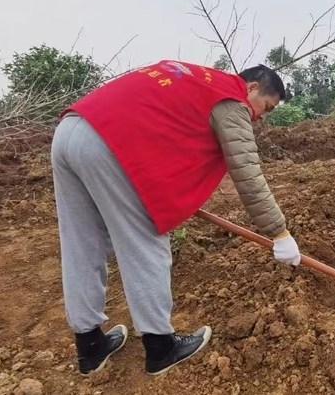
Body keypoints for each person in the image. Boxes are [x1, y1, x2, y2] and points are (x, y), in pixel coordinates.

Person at [52, 60, 301, 376]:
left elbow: (165, 127)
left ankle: (90, 347)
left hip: (70, 130)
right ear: (251, 88)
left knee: (81, 242)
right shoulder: (232, 100)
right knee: (144, 239)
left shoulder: (199, 79)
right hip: (108, 144)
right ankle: (160, 346)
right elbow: (247, 173)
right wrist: (279, 232)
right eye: (264, 108)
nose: (259, 117)